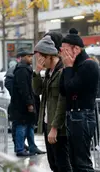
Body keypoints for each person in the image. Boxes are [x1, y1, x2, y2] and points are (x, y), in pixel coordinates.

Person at [60, 28, 99, 172]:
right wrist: (67, 68)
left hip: (83, 116)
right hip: (72, 115)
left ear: (76, 49)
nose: (63, 53)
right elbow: (63, 90)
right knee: (74, 162)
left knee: (82, 163)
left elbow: (71, 88)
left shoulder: (89, 65)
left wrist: (68, 67)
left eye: (65, 49)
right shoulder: (73, 66)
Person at [33, 34, 72, 172]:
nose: (40, 61)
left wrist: (55, 127)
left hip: (59, 128)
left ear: (50, 55)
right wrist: (37, 71)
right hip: (47, 123)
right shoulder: (49, 72)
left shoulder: (62, 71)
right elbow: (37, 90)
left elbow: (62, 102)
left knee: (63, 165)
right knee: (53, 164)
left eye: (41, 57)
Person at [9, 49, 45, 157]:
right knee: (22, 125)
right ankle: (20, 149)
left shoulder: (26, 69)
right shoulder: (22, 70)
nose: (31, 58)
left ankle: (32, 147)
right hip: (22, 105)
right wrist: (29, 103)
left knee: (29, 125)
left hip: (27, 103)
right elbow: (24, 88)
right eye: (29, 56)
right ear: (23, 57)